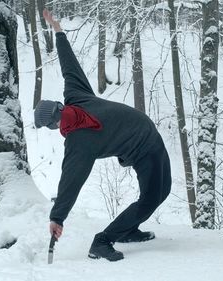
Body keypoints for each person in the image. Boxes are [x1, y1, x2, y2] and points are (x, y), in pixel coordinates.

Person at [34, 9, 171, 262]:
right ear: (59, 106)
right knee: (154, 196)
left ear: (54, 125)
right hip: (146, 141)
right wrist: (58, 30)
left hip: (146, 143)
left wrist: (57, 217)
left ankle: (111, 237)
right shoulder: (76, 97)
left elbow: (70, 183)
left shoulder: (78, 141)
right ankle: (106, 239)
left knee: (158, 194)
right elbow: (69, 65)